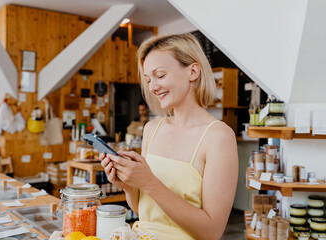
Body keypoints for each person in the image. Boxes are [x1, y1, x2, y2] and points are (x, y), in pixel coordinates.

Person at [100, 33, 238, 240]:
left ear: (192, 72)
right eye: (148, 79)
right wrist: (128, 185)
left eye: (160, 75)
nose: (153, 87)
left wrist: (149, 183)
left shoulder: (218, 136)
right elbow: (144, 211)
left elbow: (211, 232)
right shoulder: (152, 129)